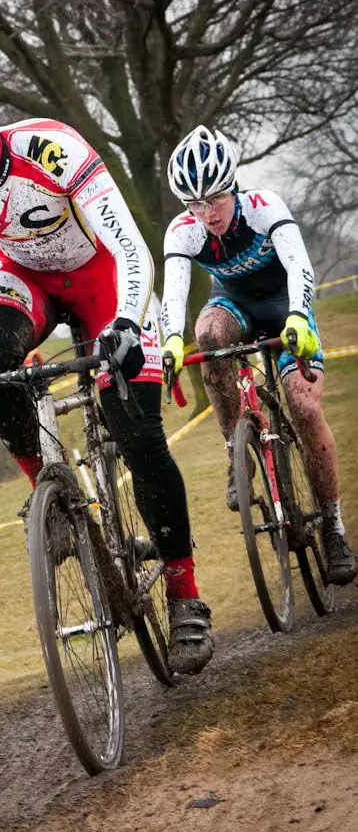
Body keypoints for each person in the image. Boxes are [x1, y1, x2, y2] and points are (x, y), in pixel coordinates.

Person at [0, 51, 214, 674]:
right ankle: (51, 495)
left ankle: (184, 594)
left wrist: (125, 324)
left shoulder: (53, 151)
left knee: (138, 432)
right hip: (27, 281)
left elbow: (129, 246)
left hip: (104, 279)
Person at [160, 125, 356, 586]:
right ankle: (238, 452)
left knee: (304, 406)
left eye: (213, 200)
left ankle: (333, 525)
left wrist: (300, 317)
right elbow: (174, 292)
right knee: (207, 333)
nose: (205, 213)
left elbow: (298, 265)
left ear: (232, 187)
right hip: (236, 305)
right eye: (193, 203)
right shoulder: (185, 230)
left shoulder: (265, 207)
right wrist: (171, 338)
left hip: (284, 306)